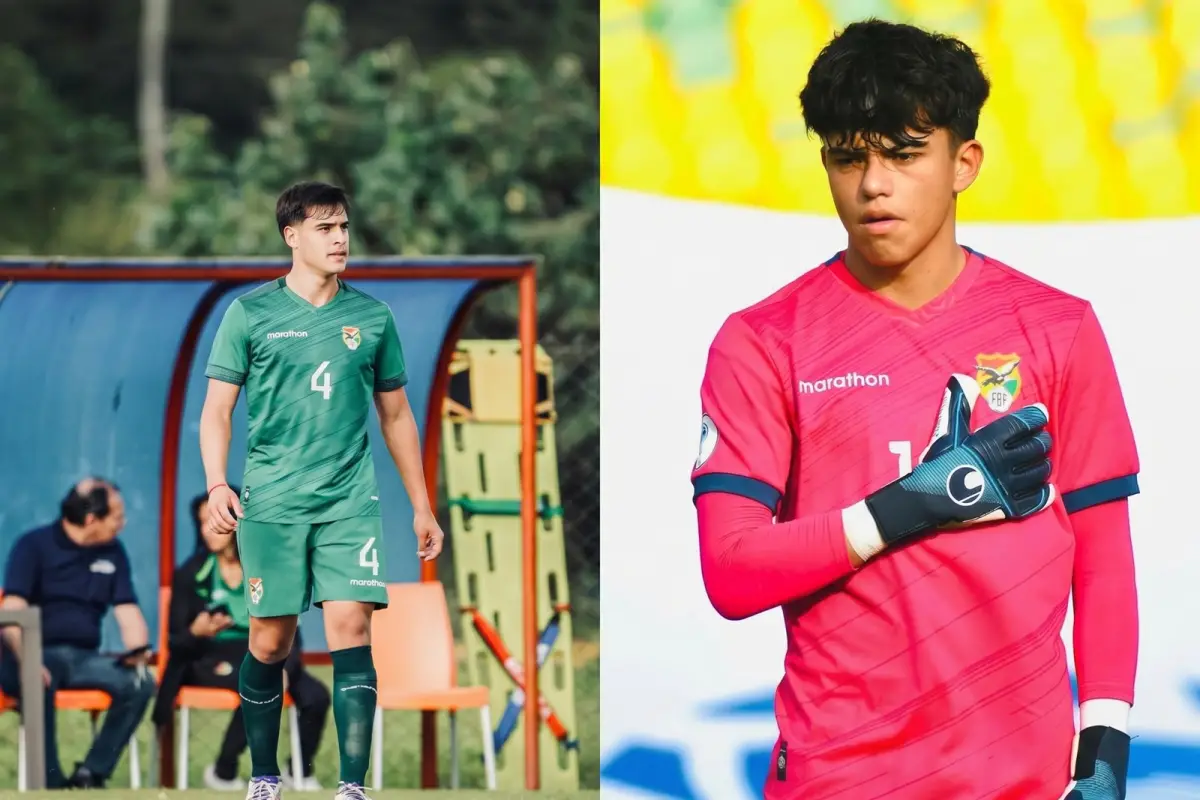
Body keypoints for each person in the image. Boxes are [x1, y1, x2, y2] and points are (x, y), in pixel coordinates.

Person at [691, 19, 1138, 800]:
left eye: (902, 154)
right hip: (840, 779)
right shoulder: (763, 341)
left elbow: (1101, 559)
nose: (872, 184)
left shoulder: (1058, 329)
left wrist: (1104, 747)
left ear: (964, 163)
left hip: (1022, 781)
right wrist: (908, 507)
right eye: (847, 156)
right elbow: (731, 573)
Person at [199, 180, 446, 800]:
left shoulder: (371, 316)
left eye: (343, 227)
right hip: (273, 503)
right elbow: (216, 412)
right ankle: (263, 776)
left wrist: (421, 505)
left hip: (347, 503)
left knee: (350, 628)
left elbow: (395, 416)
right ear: (292, 236)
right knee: (270, 640)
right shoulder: (249, 313)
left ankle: (352, 787)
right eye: (325, 228)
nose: (340, 239)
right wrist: (216, 483)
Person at [153, 489, 331, 791]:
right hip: (209, 656)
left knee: (316, 695)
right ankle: (224, 770)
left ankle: (296, 770)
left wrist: (288, 667)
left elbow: (290, 632)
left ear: (237, 521)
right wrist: (197, 632)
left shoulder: (266, 568)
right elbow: (176, 642)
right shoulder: (190, 573)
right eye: (201, 523)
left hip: (267, 652)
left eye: (214, 520)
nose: (206, 530)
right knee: (255, 682)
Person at [0, 478, 156, 789]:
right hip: (33, 653)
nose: (122, 525)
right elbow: (11, 611)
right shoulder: (33, 546)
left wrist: (139, 652)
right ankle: (50, 782)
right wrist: (27, 660)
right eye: (117, 517)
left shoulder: (112, 552)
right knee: (35, 682)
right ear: (91, 519)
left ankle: (91, 773)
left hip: (86, 657)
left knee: (139, 682)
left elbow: (127, 610)